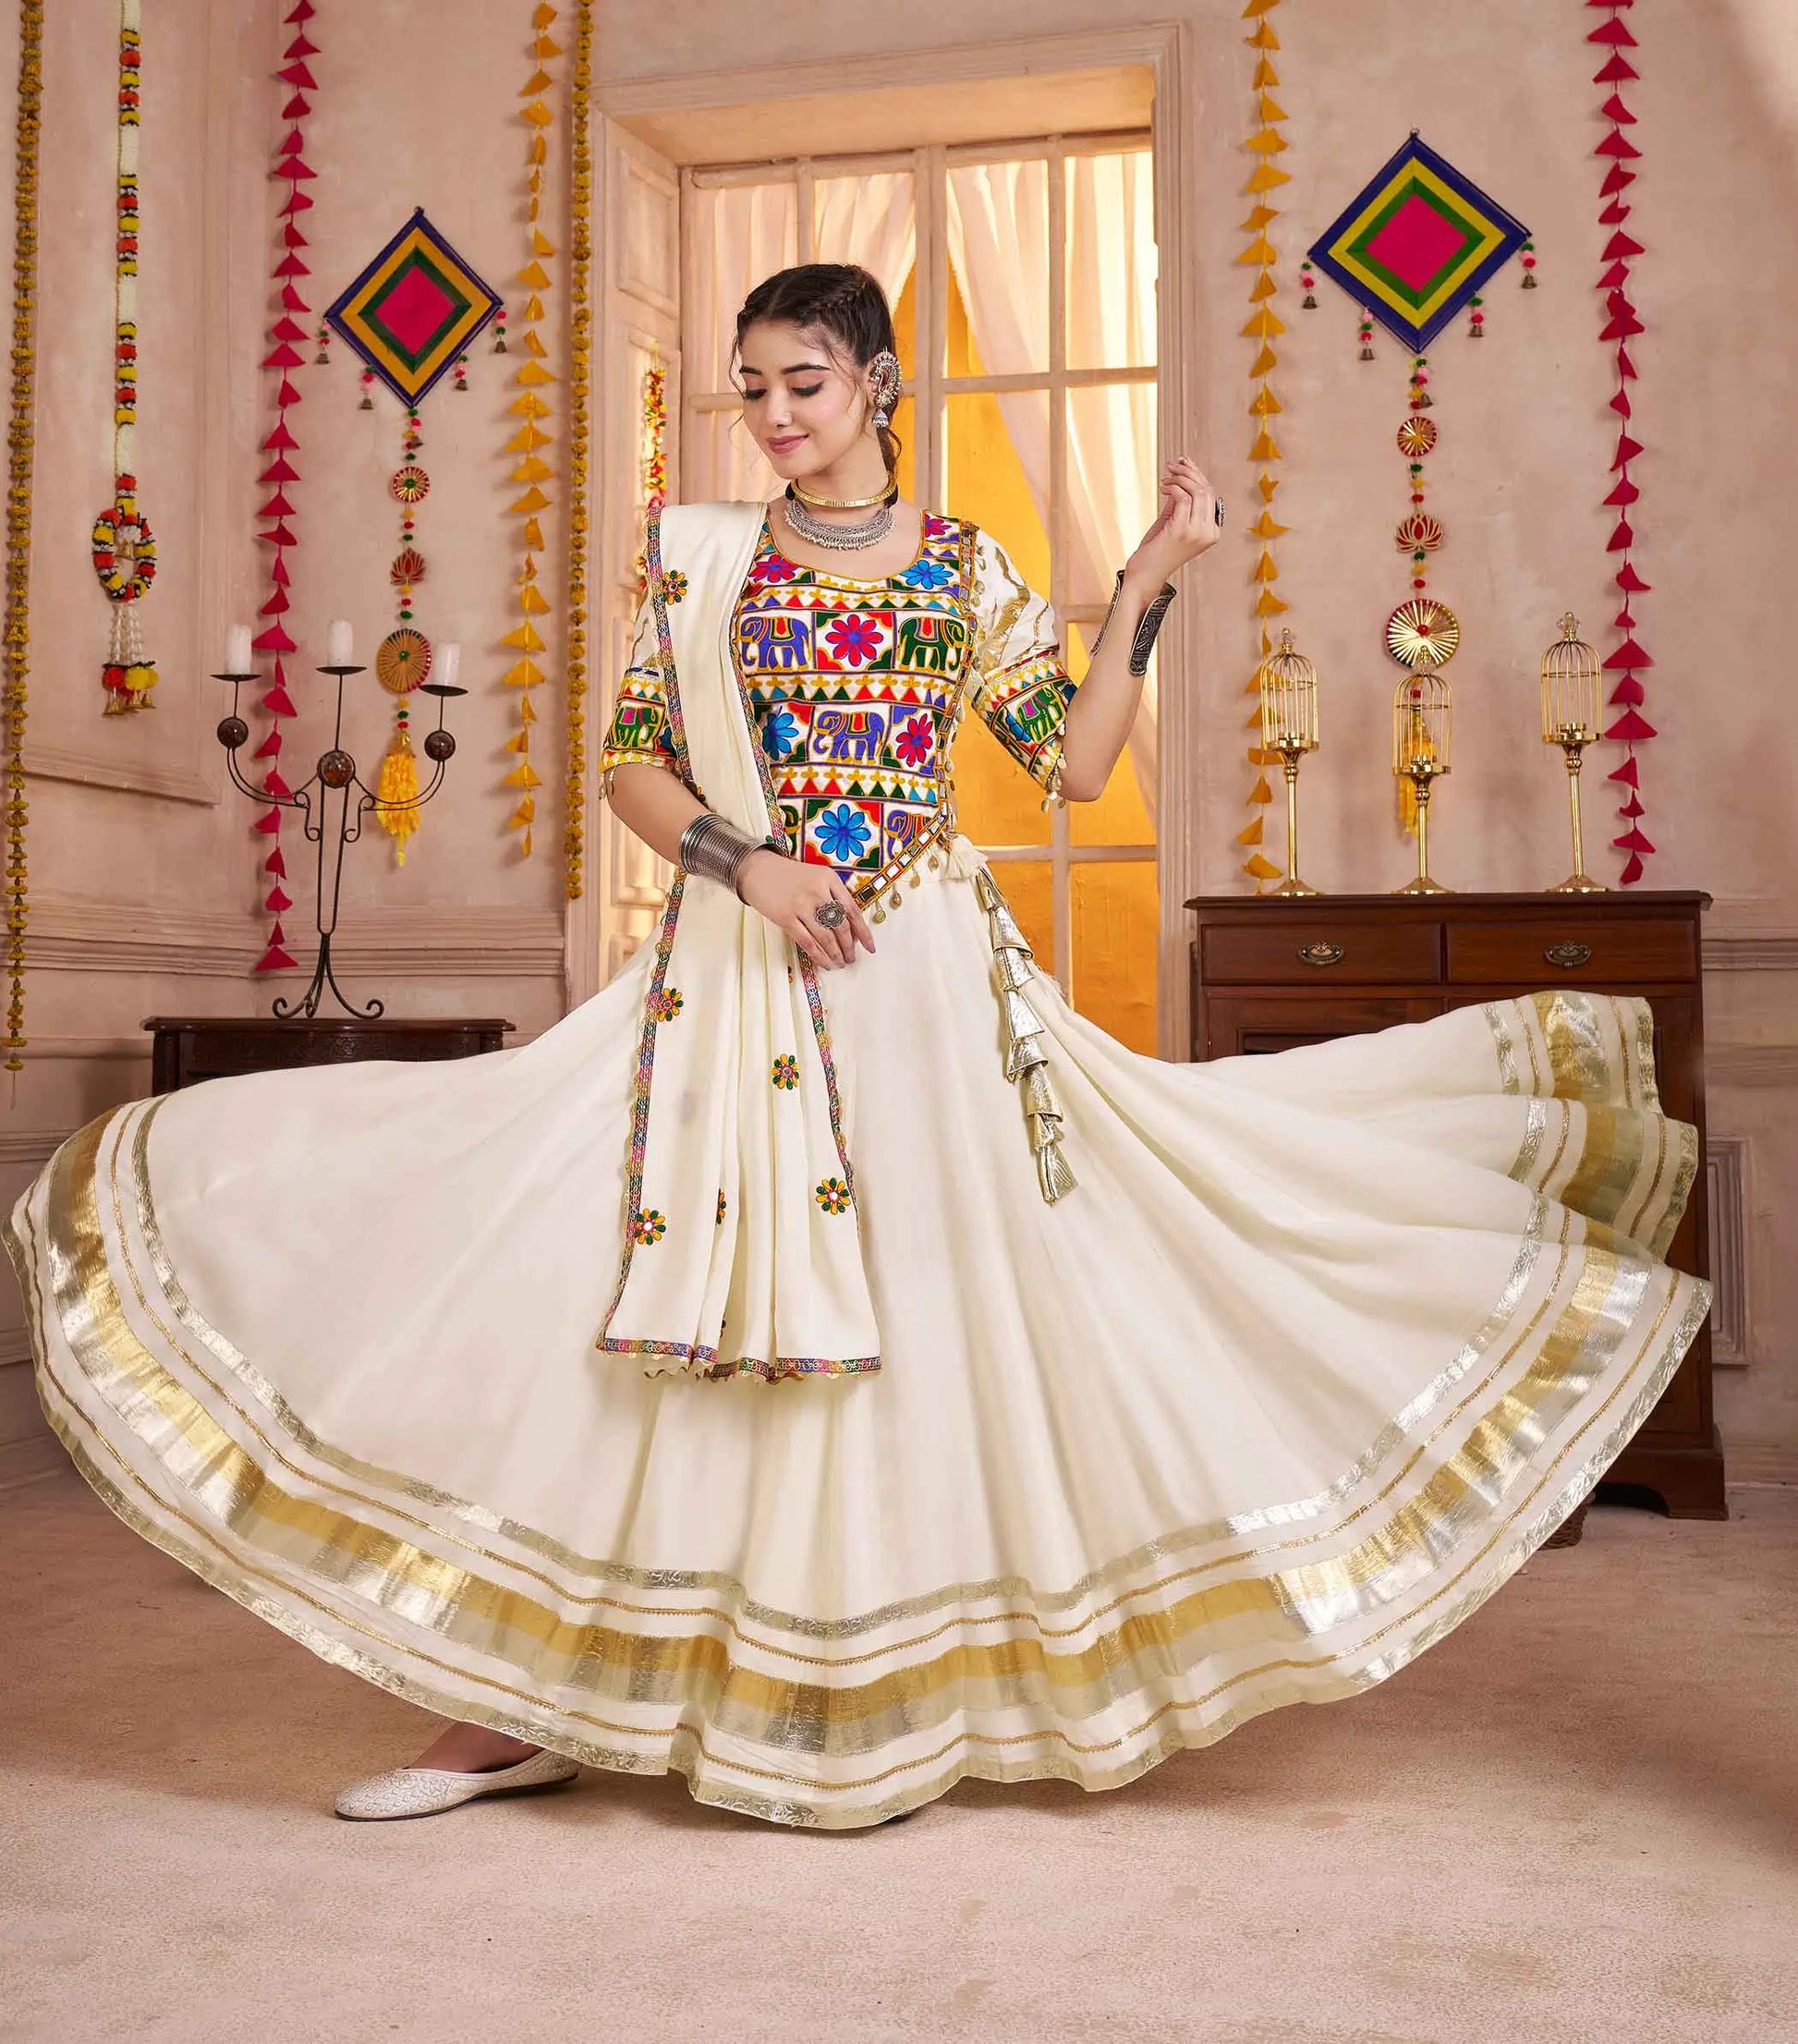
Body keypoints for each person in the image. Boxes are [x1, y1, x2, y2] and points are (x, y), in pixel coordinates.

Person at [6, 263, 1709, 1831]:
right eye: (751, 387)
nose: (772, 414)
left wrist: (1144, 583)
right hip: (732, 974)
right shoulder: (704, 560)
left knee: (934, 1324)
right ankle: (512, 1703)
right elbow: (631, 763)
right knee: (622, 1308)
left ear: (879, 383)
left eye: (803, 383)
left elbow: (1076, 765)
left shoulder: (962, 568)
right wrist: (748, 865)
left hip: (924, 980)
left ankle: (875, 1694)